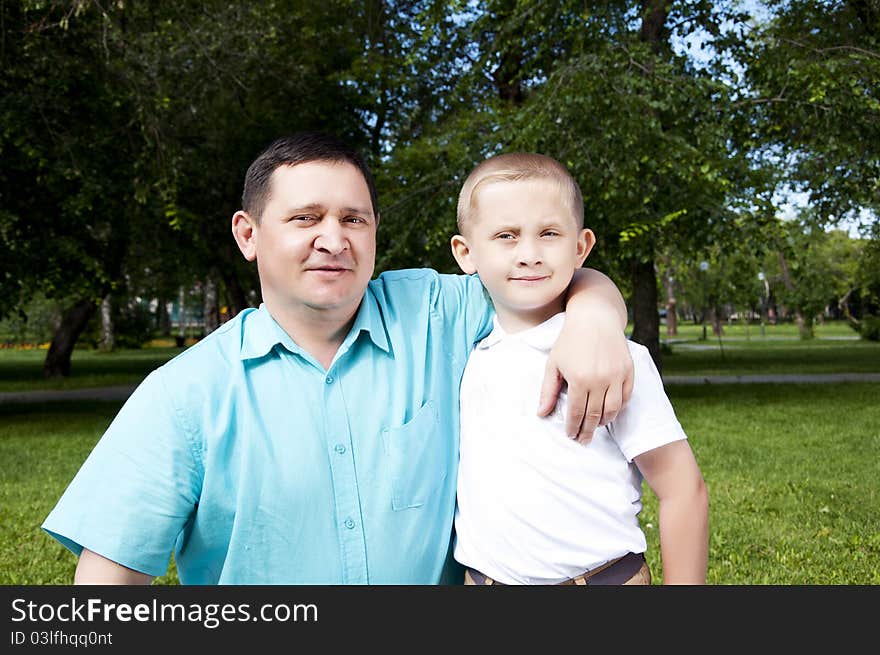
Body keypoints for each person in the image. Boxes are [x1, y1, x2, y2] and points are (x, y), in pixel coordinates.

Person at [41, 132, 634, 585]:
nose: (334, 239)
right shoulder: (183, 393)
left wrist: (596, 317)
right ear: (248, 236)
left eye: (354, 219)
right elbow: (107, 584)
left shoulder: (434, 312)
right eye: (305, 219)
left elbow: (551, 275)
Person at [449, 152, 709, 585]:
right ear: (466, 252)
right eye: (506, 236)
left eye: (549, 233)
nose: (529, 254)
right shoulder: (465, 353)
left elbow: (683, 490)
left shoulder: (613, 358)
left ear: (581, 247)